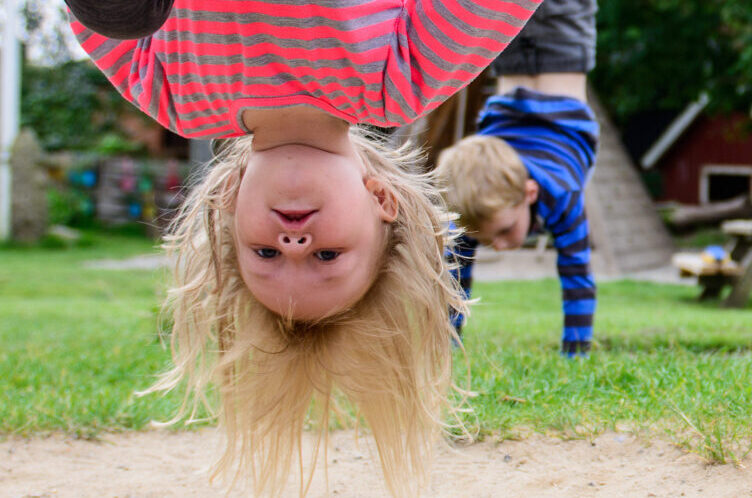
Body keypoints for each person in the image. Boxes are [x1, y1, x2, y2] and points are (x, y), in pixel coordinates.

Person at [64, 0, 535, 495]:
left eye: (266, 255)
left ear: (229, 203)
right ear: (382, 200)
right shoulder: (402, 80)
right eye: (325, 257)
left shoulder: (174, 97)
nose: (294, 242)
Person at [436, 0, 602, 357]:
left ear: (530, 192)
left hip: (524, 57)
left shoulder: (561, 194)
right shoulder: (474, 212)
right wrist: (449, 343)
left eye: (503, 231)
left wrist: (576, 353)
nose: (500, 245)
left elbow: (578, 278)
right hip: (561, 50)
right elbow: (454, 279)